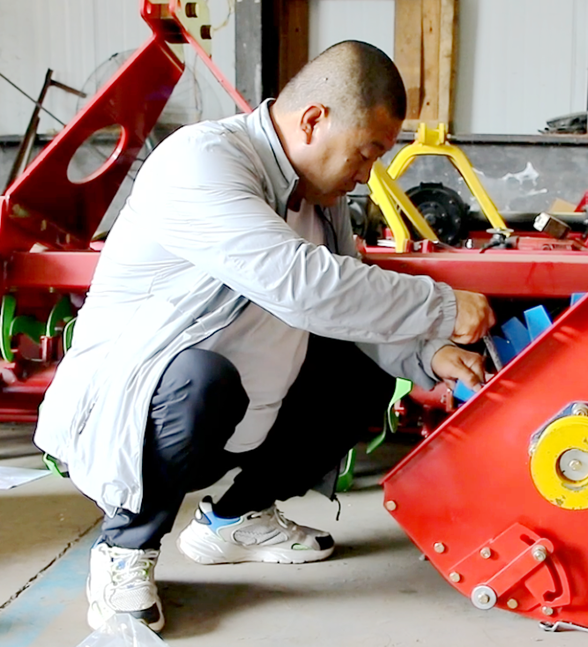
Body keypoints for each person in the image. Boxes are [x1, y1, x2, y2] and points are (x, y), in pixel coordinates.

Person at [33, 40, 495, 632]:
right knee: (202, 378)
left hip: (235, 412)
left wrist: (431, 352)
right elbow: (297, 282)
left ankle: (232, 521)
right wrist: (441, 305)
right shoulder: (199, 160)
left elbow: (348, 306)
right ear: (313, 121)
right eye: (366, 153)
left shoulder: (321, 200)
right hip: (138, 409)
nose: (366, 174)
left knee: (365, 373)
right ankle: (125, 546)